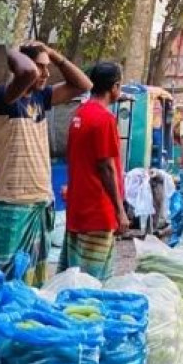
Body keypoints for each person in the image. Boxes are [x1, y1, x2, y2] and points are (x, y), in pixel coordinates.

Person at [0, 42, 92, 286]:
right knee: (4, 277)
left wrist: (54, 54)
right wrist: (12, 51)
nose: (44, 73)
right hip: (12, 203)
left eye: (46, 67)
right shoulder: (4, 98)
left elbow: (84, 85)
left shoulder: (41, 98)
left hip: (40, 201)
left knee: (34, 277)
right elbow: (27, 74)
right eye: (39, 67)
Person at [61, 62, 127, 281]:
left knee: (75, 274)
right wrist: (120, 211)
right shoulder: (104, 118)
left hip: (79, 208)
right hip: (99, 212)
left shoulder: (80, 114)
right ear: (115, 86)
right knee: (94, 282)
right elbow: (106, 167)